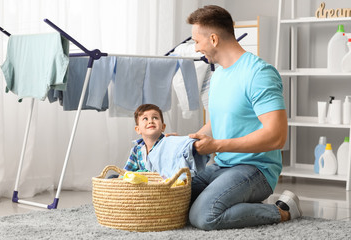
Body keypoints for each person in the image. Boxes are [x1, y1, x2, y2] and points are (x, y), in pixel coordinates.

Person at [185, 5, 302, 230]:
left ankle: (284, 210)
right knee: (176, 200)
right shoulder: (218, 75)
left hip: (256, 169)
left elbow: (276, 136)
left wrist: (217, 145)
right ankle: (234, 198)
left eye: (196, 41)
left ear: (213, 39)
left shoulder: (259, 73)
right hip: (221, 165)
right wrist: (188, 140)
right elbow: (218, 122)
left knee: (203, 216)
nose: (196, 48)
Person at [123, 104, 166, 171]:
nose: (150, 121)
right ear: (138, 129)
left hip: (164, 180)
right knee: (112, 177)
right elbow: (126, 172)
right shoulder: (136, 150)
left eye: (155, 118)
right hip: (144, 181)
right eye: (145, 119)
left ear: (163, 127)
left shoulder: (167, 144)